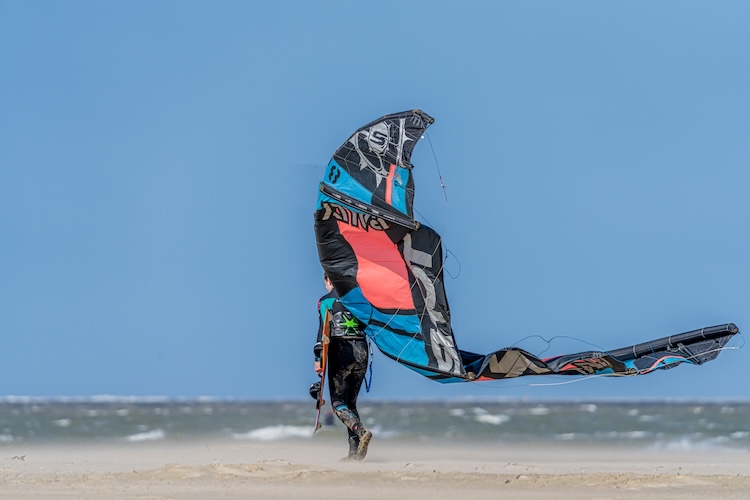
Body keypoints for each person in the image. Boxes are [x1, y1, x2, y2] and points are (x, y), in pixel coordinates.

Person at [314, 273, 372, 461]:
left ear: (328, 281)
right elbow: (366, 323)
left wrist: (319, 361)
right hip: (362, 351)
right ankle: (353, 453)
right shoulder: (358, 299)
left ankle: (361, 431)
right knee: (351, 403)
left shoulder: (325, 301)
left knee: (339, 404)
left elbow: (322, 332)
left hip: (341, 352)